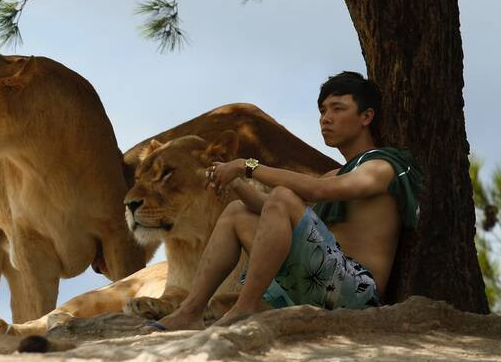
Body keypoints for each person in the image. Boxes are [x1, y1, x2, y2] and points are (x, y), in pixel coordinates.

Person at [157, 71, 422, 330]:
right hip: (320, 281)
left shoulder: (381, 166)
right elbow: (276, 215)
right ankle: (190, 311)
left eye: (338, 109)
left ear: (366, 116)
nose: (325, 119)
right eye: (322, 111)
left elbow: (314, 192)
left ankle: (244, 308)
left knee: (282, 196)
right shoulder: (335, 174)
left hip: (356, 294)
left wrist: (246, 166)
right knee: (237, 211)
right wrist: (234, 182)